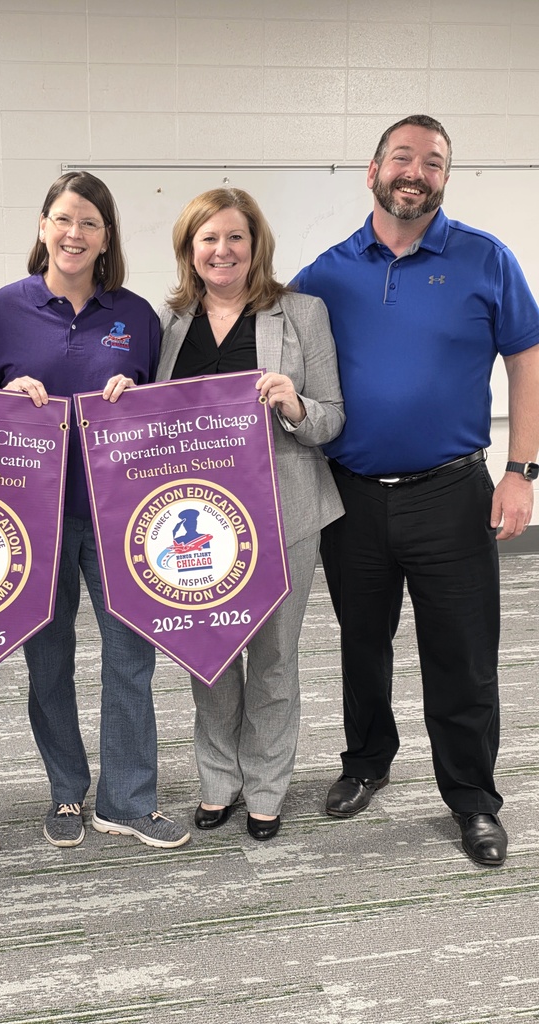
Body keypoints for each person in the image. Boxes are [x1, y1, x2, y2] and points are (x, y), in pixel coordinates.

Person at [292, 114, 539, 867]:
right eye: (402, 157)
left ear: (444, 179)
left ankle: (472, 798)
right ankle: (367, 761)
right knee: (361, 644)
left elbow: (527, 361)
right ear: (372, 172)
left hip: (452, 493)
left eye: (433, 162)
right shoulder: (324, 275)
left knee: (463, 656)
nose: (416, 171)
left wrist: (522, 471)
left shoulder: (486, 259)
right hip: (352, 496)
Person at [0, 171, 190, 850]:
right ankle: (65, 790)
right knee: (49, 661)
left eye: (90, 222)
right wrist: (7, 401)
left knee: (131, 660)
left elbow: (167, 418)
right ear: (42, 227)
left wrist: (136, 398)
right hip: (34, 519)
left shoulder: (137, 317)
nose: (74, 233)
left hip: (121, 516)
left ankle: (128, 800)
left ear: (106, 237)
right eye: (63, 219)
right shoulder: (0, 312)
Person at [157, 188, 345, 841]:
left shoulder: (301, 313)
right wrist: (124, 398)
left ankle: (266, 786)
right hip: (196, 521)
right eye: (208, 238)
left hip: (282, 514)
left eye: (235, 236)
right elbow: (151, 421)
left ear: (256, 244)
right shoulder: (169, 321)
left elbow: (331, 419)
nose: (223, 250)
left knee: (272, 659)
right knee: (207, 653)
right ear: (190, 249)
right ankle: (218, 780)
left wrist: (295, 404)